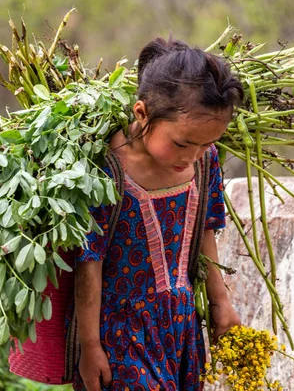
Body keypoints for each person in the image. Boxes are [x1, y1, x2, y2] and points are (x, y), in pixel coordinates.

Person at [72, 36, 244, 391]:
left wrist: (220, 303)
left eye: (205, 144)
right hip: (120, 332)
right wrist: (88, 346)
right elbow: (89, 262)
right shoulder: (107, 170)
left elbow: (206, 231)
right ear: (142, 113)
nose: (193, 155)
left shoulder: (205, 164)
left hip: (181, 327)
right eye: (183, 143)